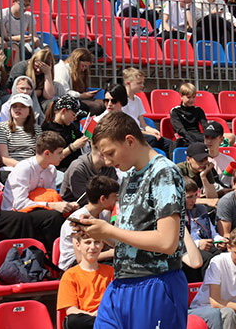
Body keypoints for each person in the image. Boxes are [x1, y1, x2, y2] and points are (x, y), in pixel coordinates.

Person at [72, 112, 187, 329]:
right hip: (122, 283)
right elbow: (129, 240)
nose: (106, 161)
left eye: (110, 153)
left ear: (130, 141)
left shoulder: (164, 172)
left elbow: (167, 242)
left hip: (156, 282)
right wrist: (99, 232)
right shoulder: (129, 178)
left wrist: (110, 231)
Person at [58, 175, 119, 270]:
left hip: (96, 256)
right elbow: (80, 259)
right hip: (73, 265)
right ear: (103, 199)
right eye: (114, 196)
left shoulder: (105, 214)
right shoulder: (78, 220)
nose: (116, 200)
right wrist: (111, 253)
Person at [56, 233, 116, 329]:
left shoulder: (111, 271)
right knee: (72, 320)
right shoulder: (70, 275)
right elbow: (71, 310)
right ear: (78, 245)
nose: (92, 247)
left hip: (106, 315)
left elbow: (116, 302)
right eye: (88, 242)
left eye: (96, 242)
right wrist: (94, 316)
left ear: (102, 245)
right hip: (85, 320)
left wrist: (101, 313)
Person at [42, 95, 88, 173]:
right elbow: (51, 158)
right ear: (63, 111)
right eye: (73, 115)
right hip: (60, 169)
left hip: (77, 165)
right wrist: (73, 147)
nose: (75, 118)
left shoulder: (71, 126)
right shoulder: (48, 129)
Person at [0, 92, 42, 168]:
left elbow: (39, 154)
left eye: (23, 106)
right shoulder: (1, 128)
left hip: (33, 166)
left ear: (29, 111)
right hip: (11, 167)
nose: (18, 109)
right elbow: (4, 158)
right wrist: (24, 166)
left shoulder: (36, 128)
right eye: (14, 106)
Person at [171, 82, 209, 148]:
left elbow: (205, 126)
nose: (191, 100)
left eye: (193, 97)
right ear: (181, 96)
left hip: (197, 135)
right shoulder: (175, 111)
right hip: (184, 137)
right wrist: (192, 141)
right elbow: (180, 129)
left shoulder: (198, 110)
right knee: (176, 144)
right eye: (188, 97)